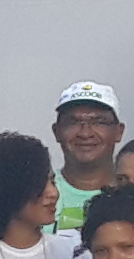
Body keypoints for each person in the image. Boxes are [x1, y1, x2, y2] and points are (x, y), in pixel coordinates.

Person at [50, 82, 125, 232]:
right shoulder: (37, 195)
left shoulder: (133, 194)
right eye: (73, 122)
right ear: (56, 131)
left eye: (98, 122)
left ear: (119, 132)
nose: (85, 133)